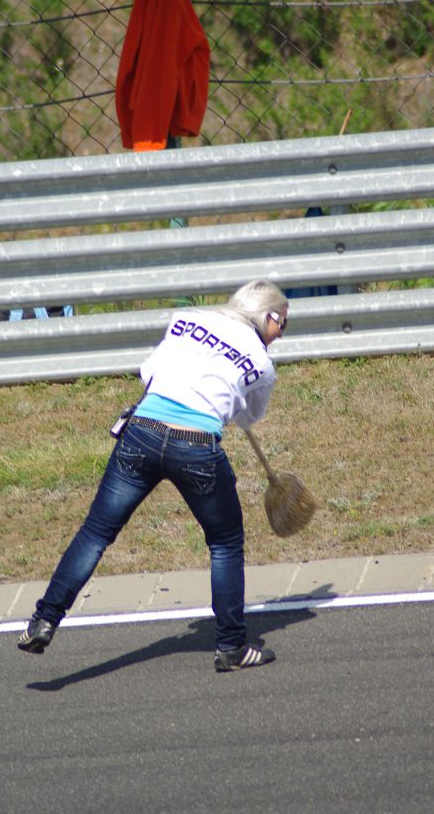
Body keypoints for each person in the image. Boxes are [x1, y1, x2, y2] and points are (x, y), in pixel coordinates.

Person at [18, 279, 289, 672]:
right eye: (283, 324)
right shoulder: (262, 365)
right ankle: (231, 646)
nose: (281, 333)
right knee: (225, 543)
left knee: (96, 532)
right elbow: (248, 417)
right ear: (268, 316)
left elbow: (149, 375)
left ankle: (44, 619)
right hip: (196, 447)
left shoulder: (185, 319)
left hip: (141, 434)